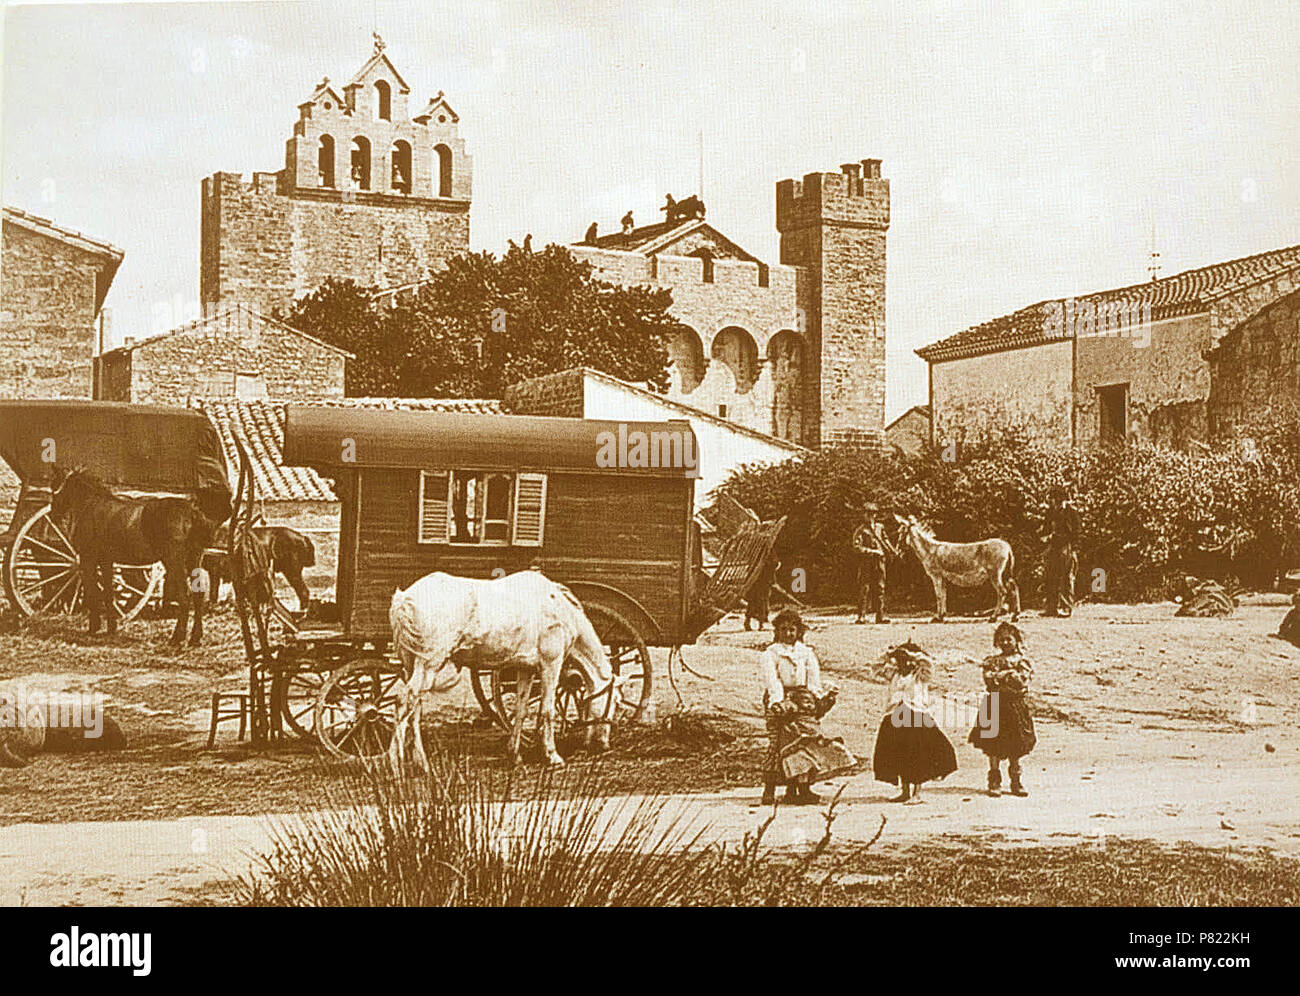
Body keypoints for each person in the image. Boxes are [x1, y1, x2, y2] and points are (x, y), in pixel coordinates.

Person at [759, 608, 855, 805]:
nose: (788, 634)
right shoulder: (771, 653)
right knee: (778, 745)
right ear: (777, 631)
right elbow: (772, 680)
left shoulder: (806, 653)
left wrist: (819, 697)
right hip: (781, 700)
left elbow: (813, 680)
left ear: (799, 631)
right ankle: (769, 790)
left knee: (806, 743)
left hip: (803, 702)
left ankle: (802, 789)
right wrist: (778, 702)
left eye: (792, 630)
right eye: (784, 629)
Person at [871, 641, 957, 803]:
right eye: (902, 659)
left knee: (917, 755)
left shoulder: (920, 674)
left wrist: (912, 654)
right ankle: (905, 791)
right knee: (900, 753)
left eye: (908, 659)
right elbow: (875, 669)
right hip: (895, 715)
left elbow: (928, 663)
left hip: (916, 716)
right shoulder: (895, 674)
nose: (905, 662)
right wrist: (890, 654)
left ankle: (916, 793)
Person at [969, 622, 1037, 797]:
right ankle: (994, 780)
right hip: (995, 704)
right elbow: (989, 680)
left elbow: (1021, 682)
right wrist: (1009, 675)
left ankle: (1016, 781)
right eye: (1002, 640)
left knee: (1016, 744)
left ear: (1016, 640)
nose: (1005, 643)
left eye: (1009, 639)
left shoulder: (1022, 661)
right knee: (993, 744)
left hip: (1015, 705)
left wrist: (1002, 676)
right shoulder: (991, 661)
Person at [1042, 488, 1081, 617]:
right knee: (1050, 578)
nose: (1050, 501)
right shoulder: (1050, 512)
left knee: (1066, 578)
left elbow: (1075, 533)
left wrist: (1074, 549)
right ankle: (1051, 608)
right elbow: (1045, 528)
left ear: (1058, 499)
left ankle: (1066, 608)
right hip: (1053, 548)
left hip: (1066, 547)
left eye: (1052, 499)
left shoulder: (1071, 513)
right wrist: (1045, 537)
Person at [853, 507, 890, 624]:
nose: (870, 516)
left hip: (879, 562)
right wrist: (872, 551)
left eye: (873, 514)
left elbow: (886, 541)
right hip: (866, 563)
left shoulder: (880, 527)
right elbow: (857, 547)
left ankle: (880, 616)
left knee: (880, 588)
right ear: (864, 515)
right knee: (865, 589)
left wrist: (891, 551)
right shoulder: (861, 530)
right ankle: (861, 616)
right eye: (868, 514)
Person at [744, 554, 779, 631]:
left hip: (755, 579)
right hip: (763, 580)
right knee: (762, 602)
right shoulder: (767, 550)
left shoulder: (757, 550)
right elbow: (775, 564)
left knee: (753, 601)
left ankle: (749, 622)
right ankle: (759, 623)